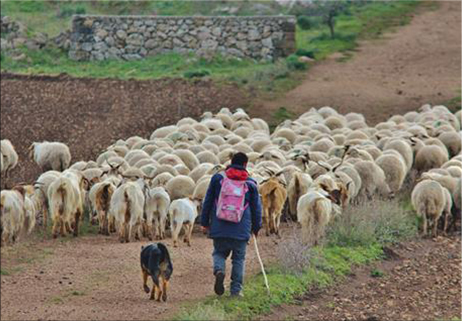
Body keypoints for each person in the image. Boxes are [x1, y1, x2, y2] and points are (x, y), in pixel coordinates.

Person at [201, 152, 262, 297]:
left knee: (219, 253)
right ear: (245, 165)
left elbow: (208, 201)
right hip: (241, 228)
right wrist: (256, 227)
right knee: (239, 259)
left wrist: (204, 222)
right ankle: (235, 291)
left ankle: (219, 270)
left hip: (219, 225)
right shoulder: (251, 183)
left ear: (230, 162)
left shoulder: (218, 179)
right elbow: (256, 208)